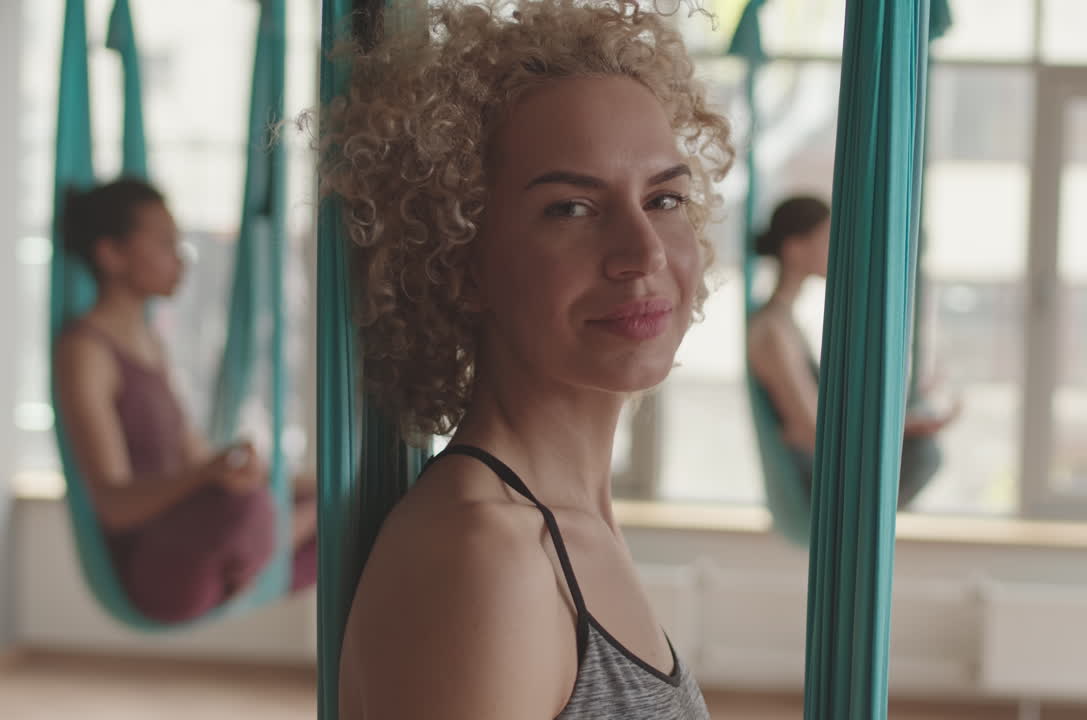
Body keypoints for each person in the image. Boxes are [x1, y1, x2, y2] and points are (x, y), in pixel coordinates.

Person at [317, 1, 732, 717]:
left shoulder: (562, 523)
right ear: (463, 260)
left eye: (664, 198)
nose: (644, 253)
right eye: (571, 208)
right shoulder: (487, 555)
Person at [53, 178, 317, 623]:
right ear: (111, 254)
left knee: (323, 486)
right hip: (157, 571)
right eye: (164, 243)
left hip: (198, 545)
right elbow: (115, 505)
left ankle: (263, 549)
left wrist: (236, 467)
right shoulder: (87, 351)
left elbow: (193, 455)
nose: (181, 258)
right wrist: (208, 476)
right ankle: (269, 545)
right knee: (251, 505)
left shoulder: (150, 342)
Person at [747, 195, 958, 508]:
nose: (837, 248)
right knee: (924, 452)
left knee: (920, 433)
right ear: (794, 249)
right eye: (826, 238)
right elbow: (807, 430)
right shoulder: (772, 330)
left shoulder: (785, 322)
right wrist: (901, 428)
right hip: (817, 481)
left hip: (824, 462)